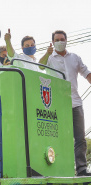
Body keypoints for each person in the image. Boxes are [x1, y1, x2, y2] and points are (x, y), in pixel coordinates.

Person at [39, 30, 91, 176]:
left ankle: (81, 169)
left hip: (75, 103)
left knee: (80, 138)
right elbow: (40, 66)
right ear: (53, 42)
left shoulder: (75, 58)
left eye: (62, 39)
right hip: (57, 105)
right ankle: (60, 168)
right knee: (60, 137)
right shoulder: (49, 58)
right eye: (57, 40)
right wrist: (47, 53)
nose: (60, 42)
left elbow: (86, 73)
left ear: (66, 40)